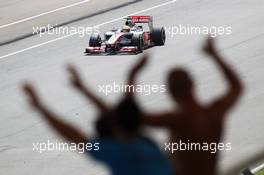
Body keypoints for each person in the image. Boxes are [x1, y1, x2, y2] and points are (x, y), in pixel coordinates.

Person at [23, 54, 174, 175]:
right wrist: (131, 76)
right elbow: (121, 114)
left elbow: (73, 135)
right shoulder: (146, 143)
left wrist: (40, 107)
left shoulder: (116, 152)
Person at [143, 37, 244, 175]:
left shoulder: (175, 120)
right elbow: (237, 87)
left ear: (170, 92)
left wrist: (132, 76)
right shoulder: (214, 113)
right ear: (193, 84)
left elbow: (128, 116)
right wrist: (214, 55)